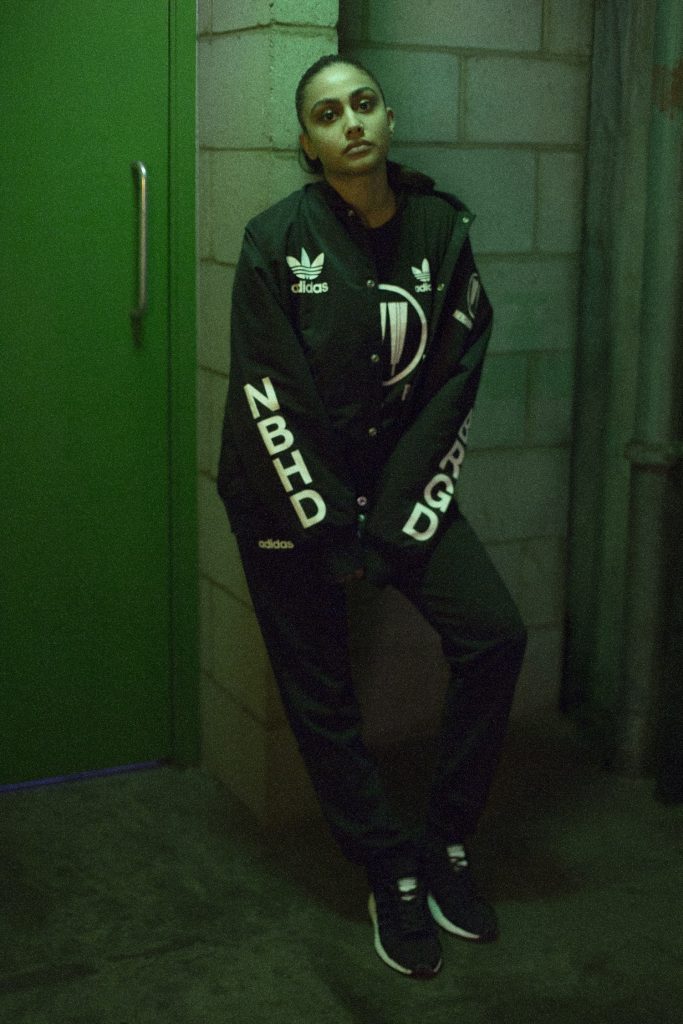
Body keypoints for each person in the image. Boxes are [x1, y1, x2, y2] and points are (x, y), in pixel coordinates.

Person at [217, 54, 527, 979]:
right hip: (283, 494)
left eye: (362, 104)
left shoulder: (441, 229)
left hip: (398, 490)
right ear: (307, 144)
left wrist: (387, 528)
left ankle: (445, 844)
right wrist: (331, 529)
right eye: (326, 114)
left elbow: (452, 385)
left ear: (387, 118)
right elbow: (270, 399)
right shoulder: (276, 241)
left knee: (494, 636)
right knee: (320, 691)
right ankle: (387, 868)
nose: (349, 122)